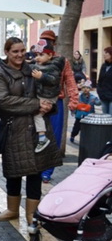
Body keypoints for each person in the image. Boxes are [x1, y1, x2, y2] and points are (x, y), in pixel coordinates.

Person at [0, 37, 62, 225]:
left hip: (38, 130)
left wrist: (49, 106)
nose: (20, 54)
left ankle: (32, 213)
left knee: (35, 172)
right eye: (15, 51)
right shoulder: (0, 74)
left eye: (22, 50)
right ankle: (12, 209)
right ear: (7, 52)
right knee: (13, 172)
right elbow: (4, 101)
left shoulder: (33, 69)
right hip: (14, 129)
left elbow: (49, 90)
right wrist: (36, 104)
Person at [38, 30, 78, 183]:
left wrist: (74, 101)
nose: (46, 42)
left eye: (49, 40)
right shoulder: (35, 57)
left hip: (57, 102)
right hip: (38, 102)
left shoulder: (63, 61)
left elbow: (70, 80)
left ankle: (47, 171)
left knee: (53, 137)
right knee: (38, 135)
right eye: (43, 39)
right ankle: (38, 167)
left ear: (54, 42)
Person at [30, 39, 65, 153]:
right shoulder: (41, 65)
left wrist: (42, 77)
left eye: (41, 55)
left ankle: (42, 137)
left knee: (38, 115)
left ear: (50, 55)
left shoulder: (53, 67)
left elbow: (54, 80)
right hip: (42, 95)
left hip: (48, 97)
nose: (38, 57)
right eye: (37, 55)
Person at [97, 46, 112, 115]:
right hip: (103, 96)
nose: (104, 55)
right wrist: (99, 91)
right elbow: (100, 80)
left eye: (106, 53)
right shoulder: (103, 66)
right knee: (105, 118)